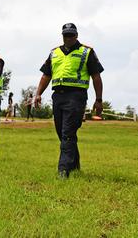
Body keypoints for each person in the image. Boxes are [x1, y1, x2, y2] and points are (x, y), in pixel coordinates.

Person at [34, 23, 104, 178]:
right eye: (66, 35)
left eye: (71, 35)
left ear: (76, 35)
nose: (69, 38)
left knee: (67, 133)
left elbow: (96, 76)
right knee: (62, 132)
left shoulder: (87, 52)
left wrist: (98, 100)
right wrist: (38, 94)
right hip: (58, 96)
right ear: (62, 36)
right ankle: (75, 165)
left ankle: (63, 170)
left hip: (76, 96)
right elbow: (46, 75)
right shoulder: (54, 53)